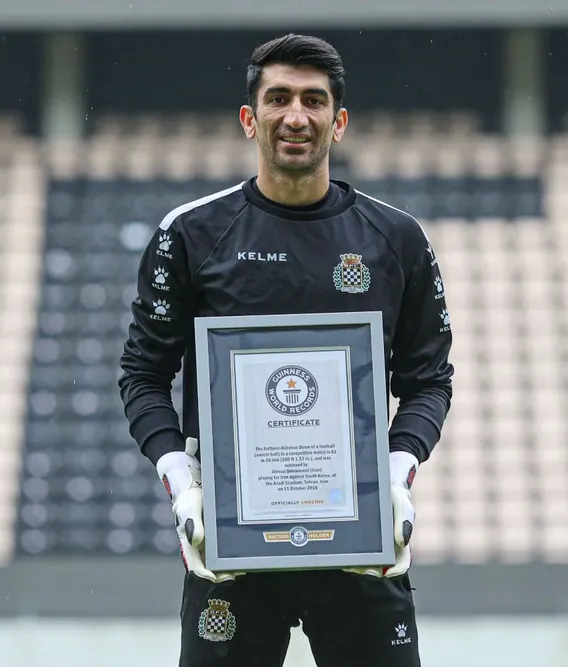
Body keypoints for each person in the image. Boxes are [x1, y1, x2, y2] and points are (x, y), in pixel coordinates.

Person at [118, 33, 454, 667]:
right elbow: (142, 374)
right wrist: (183, 487)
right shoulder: (190, 235)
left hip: (357, 544)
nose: (296, 116)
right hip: (232, 545)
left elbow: (429, 379)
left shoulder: (397, 238)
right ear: (250, 118)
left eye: (313, 100)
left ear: (339, 120)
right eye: (278, 99)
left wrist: (395, 474)